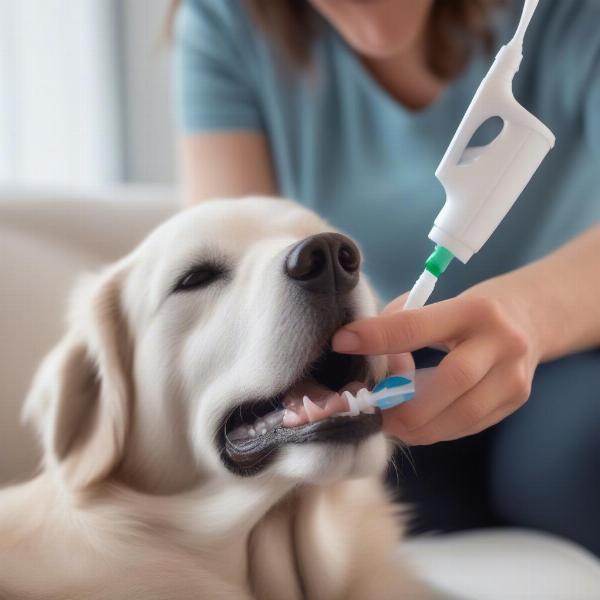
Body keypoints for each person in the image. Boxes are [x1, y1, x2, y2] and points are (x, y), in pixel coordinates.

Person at [172, 0, 600, 554]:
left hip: (572, 356)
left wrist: (530, 314)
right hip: (364, 371)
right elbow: (234, 282)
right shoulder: (226, 20)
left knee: (574, 463)